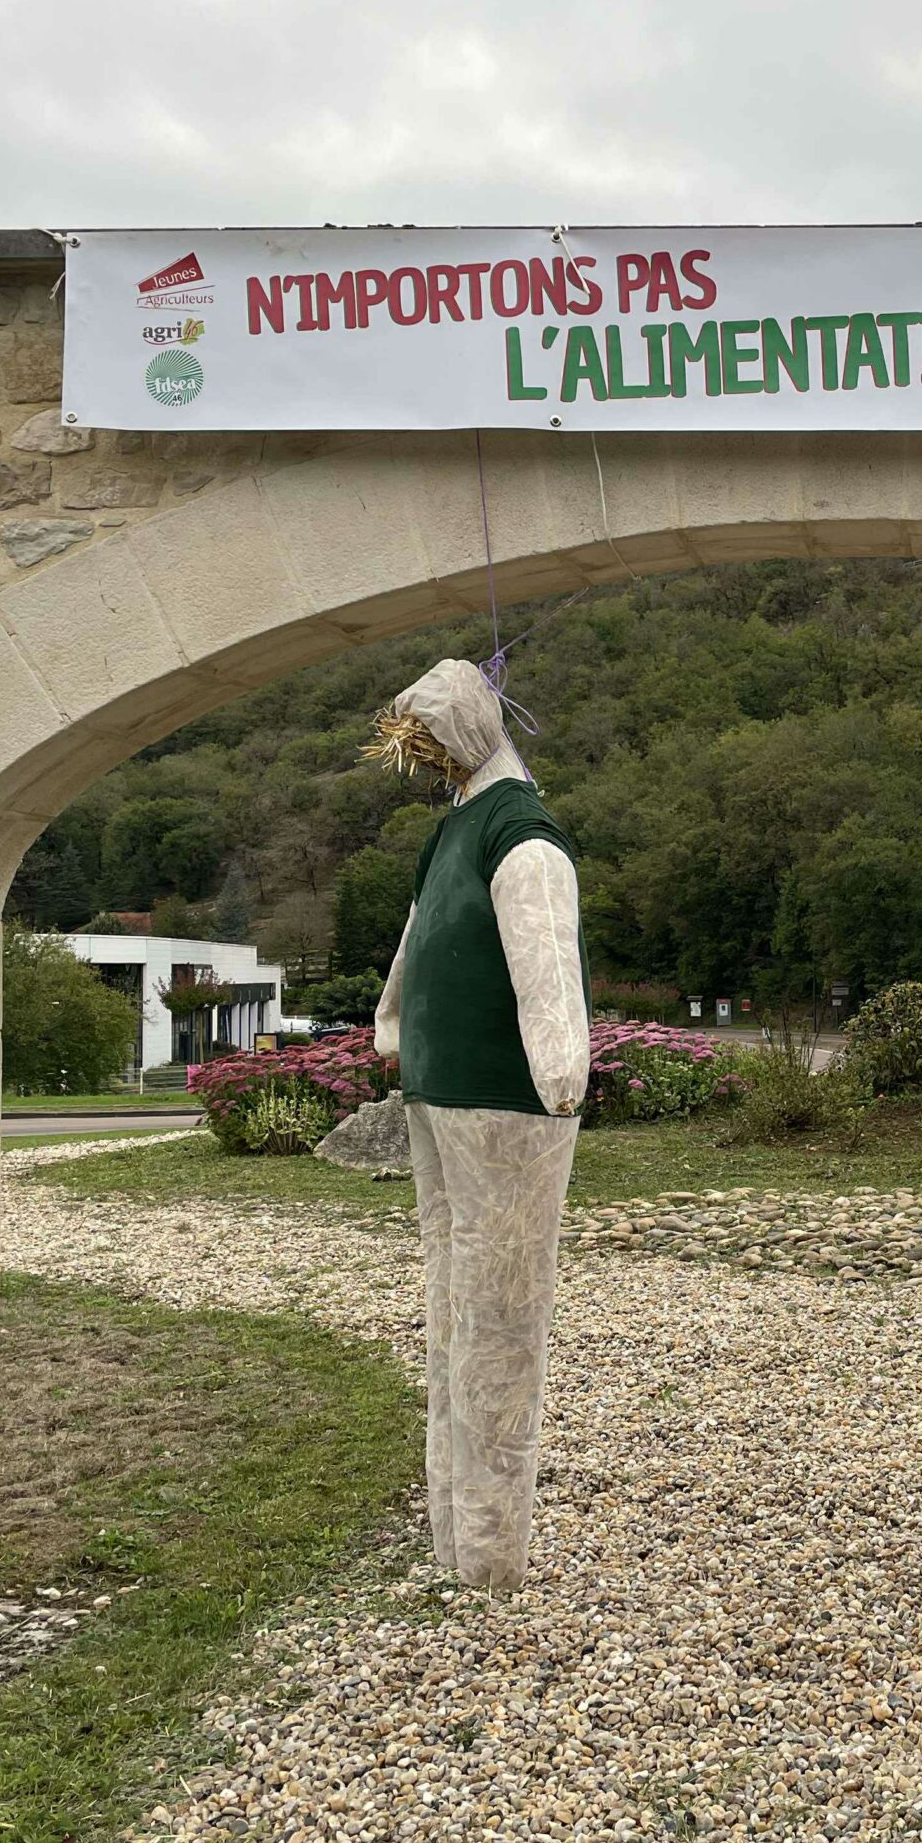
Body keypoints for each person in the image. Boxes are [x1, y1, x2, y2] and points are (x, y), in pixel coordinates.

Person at [370, 659, 589, 1590]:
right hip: (472, 1094)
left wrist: (393, 1032)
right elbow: (455, 944)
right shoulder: (488, 829)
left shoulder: (487, 831)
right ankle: (474, 1546)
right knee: (478, 1315)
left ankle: (474, 1546)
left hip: (469, 1092)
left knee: (474, 1312)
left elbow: (495, 947)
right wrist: (560, 1062)